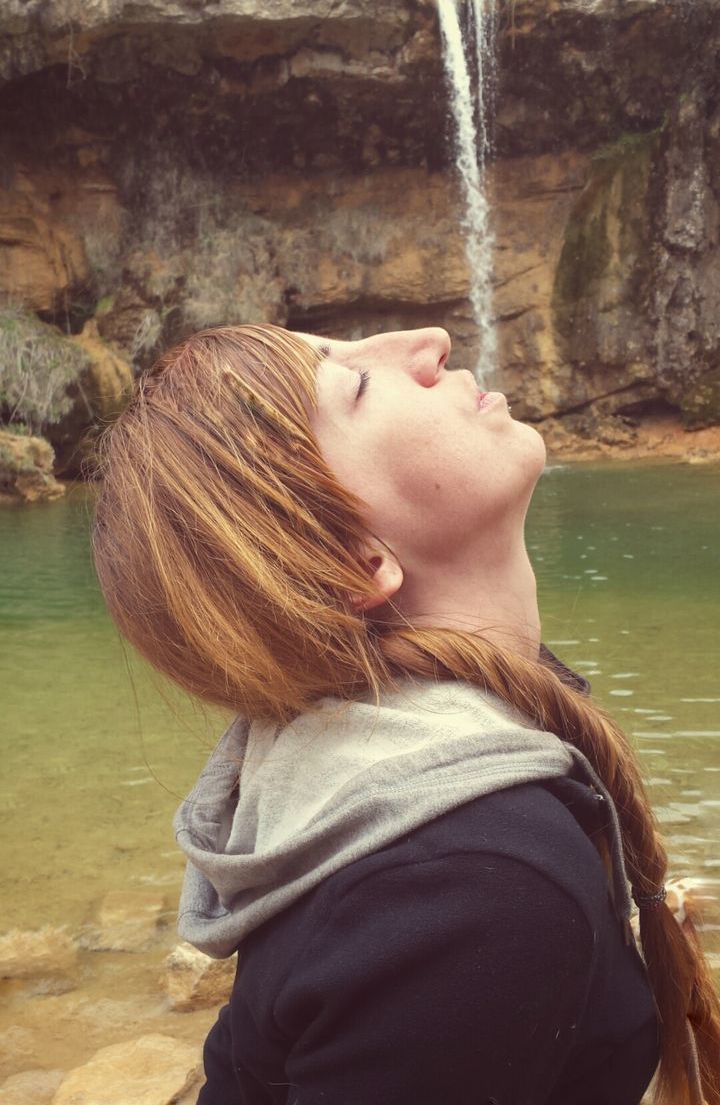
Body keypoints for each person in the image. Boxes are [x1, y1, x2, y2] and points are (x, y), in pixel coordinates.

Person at [91, 323, 720, 1105]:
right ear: (358, 559)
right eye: (354, 383)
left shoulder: (400, 792)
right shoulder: (472, 883)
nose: (432, 341)